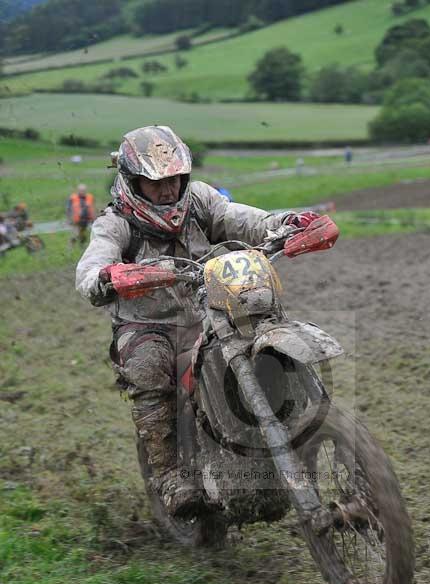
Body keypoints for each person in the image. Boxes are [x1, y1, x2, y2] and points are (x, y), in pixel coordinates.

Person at [75, 125, 320, 515]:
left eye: (174, 179)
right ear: (132, 183)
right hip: (148, 326)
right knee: (148, 366)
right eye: (156, 183)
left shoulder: (200, 200)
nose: (168, 190)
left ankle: (297, 429)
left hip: (208, 312)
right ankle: (169, 473)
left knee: (261, 333)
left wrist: (287, 223)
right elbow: (92, 264)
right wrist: (106, 276)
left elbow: (241, 218)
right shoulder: (114, 223)